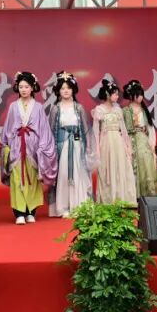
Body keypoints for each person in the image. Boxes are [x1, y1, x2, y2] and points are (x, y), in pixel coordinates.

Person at [0, 71, 57, 224]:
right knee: (17, 179)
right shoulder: (13, 106)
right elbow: (8, 128)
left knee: (32, 179)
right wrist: (6, 145)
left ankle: (31, 211)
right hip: (17, 147)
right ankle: (19, 213)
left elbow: (44, 129)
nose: (23, 90)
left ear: (32, 87)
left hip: (33, 149)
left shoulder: (38, 107)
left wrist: (42, 148)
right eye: (21, 87)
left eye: (26, 87)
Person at [48, 71, 94, 218]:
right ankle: (63, 207)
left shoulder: (78, 108)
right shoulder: (56, 108)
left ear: (73, 89)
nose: (66, 91)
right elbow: (51, 131)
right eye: (62, 88)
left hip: (77, 145)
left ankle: (79, 205)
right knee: (63, 175)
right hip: (62, 147)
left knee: (78, 173)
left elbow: (86, 129)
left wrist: (87, 148)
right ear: (58, 91)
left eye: (68, 88)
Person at [92, 79, 137, 205]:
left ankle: (121, 198)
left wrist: (127, 146)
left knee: (120, 167)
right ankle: (108, 199)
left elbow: (123, 130)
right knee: (107, 169)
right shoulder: (99, 110)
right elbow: (95, 132)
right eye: (115, 94)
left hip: (118, 140)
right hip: (106, 142)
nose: (117, 96)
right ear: (107, 94)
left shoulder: (118, 110)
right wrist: (97, 149)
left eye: (118, 94)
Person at [122, 79, 157, 198]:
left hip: (143, 140)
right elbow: (123, 130)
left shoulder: (144, 110)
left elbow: (150, 128)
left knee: (146, 164)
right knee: (132, 164)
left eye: (141, 94)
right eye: (138, 94)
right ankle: (134, 195)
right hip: (130, 140)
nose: (140, 97)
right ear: (131, 95)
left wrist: (152, 145)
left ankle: (148, 194)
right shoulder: (125, 110)